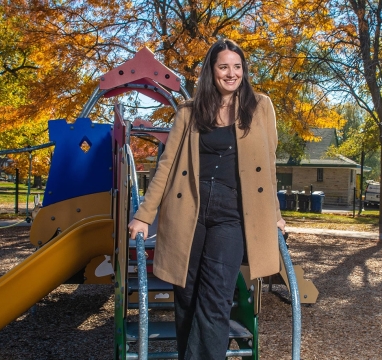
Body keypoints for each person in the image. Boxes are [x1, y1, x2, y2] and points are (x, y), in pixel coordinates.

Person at [128, 39, 286, 359]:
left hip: (232, 212)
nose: (231, 73)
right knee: (186, 295)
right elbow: (167, 165)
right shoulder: (189, 111)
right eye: (224, 66)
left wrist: (276, 214)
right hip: (188, 209)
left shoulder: (260, 106)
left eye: (237, 67)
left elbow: (267, 168)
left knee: (215, 299)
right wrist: (144, 215)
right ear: (211, 71)